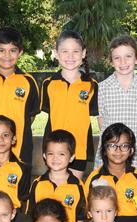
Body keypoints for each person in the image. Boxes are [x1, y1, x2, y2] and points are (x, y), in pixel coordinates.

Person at [0, 26, 40, 165]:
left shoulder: (29, 82)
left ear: (20, 52)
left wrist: (13, 134)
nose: (7, 56)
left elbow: (31, 116)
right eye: (1, 50)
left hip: (21, 150)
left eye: (13, 50)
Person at [41, 30, 98, 179]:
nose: (70, 57)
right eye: (65, 51)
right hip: (54, 149)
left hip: (79, 148)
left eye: (75, 51)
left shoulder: (92, 85)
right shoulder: (48, 84)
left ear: (83, 53)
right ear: (56, 53)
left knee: (72, 192)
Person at [96, 34, 137, 172]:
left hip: (134, 151)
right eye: (117, 58)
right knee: (105, 189)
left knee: (132, 188)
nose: (123, 62)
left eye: (128, 56)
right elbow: (101, 121)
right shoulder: (102, 88)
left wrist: (127, 146)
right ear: (111, 61)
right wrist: (114, 144)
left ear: (136, 58)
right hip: (109, 150)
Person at [85, 123, 137, 222]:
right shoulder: (95, 178)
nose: (118, 151)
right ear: (104, 149)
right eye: (112, 145)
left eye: (124, 146)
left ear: (131, 150)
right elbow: (87, 210)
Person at [28, 129, 86, 222]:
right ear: (44, 156)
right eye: (51, 154)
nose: (55, 158)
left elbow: (80, 218)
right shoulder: (38, 184)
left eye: (61, 154)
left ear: (71, 157)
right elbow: (32, 215)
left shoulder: (78, 186)